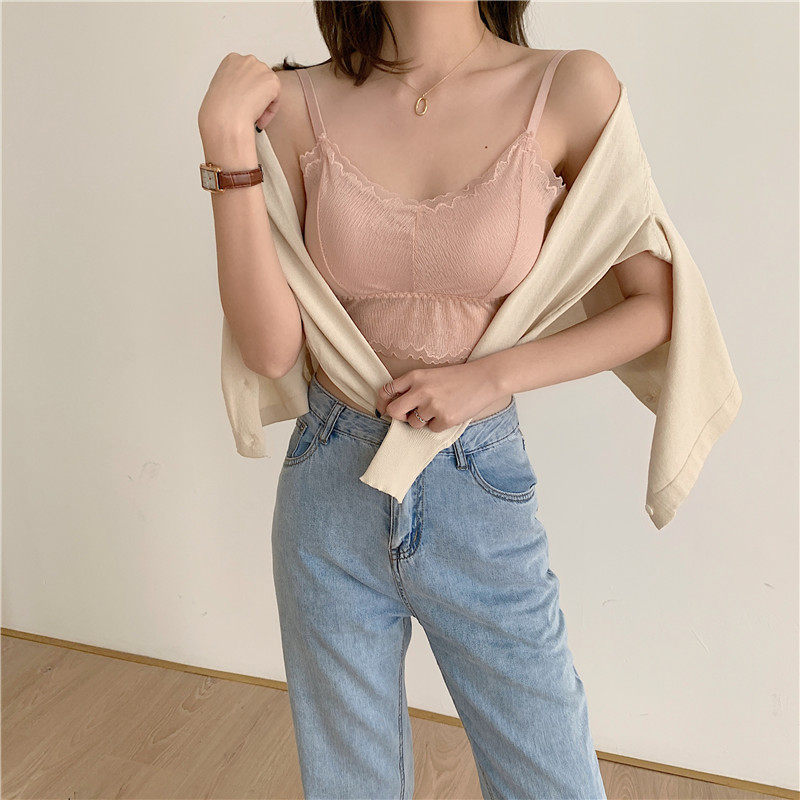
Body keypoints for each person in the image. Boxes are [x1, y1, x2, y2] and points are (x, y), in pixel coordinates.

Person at [198, 2, 673, 797]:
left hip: (477, 480)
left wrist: (493, 377)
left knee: (551, 779)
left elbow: (655, 308)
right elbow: (271, 350)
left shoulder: (568, 89)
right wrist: (223, 141)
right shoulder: (294, 105)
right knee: (349, 784)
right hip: (329, 480)